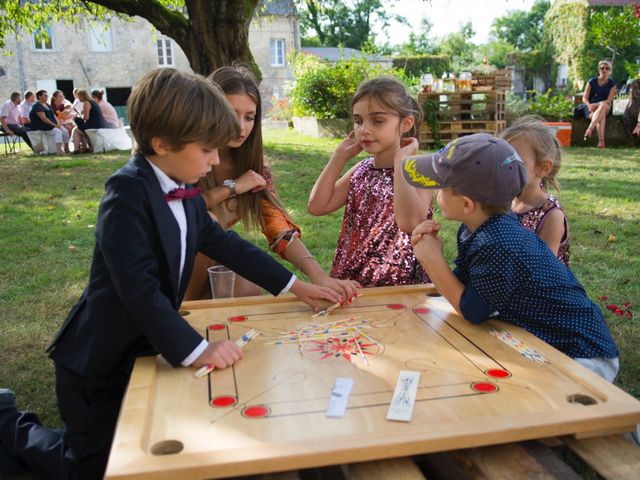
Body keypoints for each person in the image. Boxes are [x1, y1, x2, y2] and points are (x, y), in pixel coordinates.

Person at [0, 67, 342, 479]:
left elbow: (229, 247)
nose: (217, 160)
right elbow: (139, 291)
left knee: (134, 451)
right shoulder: (125, 193)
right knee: (86, 467)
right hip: (99, 360)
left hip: (144, 349)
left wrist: (296, 286)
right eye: (207, 150)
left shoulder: (185, 188)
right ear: (162, 143)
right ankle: (7, 421)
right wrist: (200, 350)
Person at [399, 133, 619, 383]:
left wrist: (432, 260)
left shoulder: (498, 244)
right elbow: (465, 287)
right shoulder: (478, 229)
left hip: (582, 356)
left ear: (467, 204)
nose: (437, 191)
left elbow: (472, 310)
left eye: (442, 187)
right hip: (544, 345)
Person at [185, 64, 359, 301]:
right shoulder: (185, 153)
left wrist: (318, 276)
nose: (241, 127)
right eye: (231, 113)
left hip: (215, 258)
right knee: (207, 223)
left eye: (249, 117)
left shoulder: (254, 169)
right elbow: (179, 209)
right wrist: (232, 188)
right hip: (173, 261)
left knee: (247, 284)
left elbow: (277, 228)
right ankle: (180, 317)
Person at [307, 76, 433, 287]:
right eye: (358, 121)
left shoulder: (421, 171)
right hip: (353, 281)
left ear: (405, 124)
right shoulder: (362, 169)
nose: (364, 129)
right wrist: (339, 157)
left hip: (402, 286)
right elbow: (317, 206)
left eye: (377, 121)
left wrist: (401, 161)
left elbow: (411, 222)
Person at [499, 116, 569, 266]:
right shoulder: (504, 203)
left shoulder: (551, 216)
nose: (505, 167)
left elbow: (543, 271)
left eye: (516, 161)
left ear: (543, 168)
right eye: (502, 160)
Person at [581, 59, 617, 149]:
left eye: (607, 68)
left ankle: (590, 128)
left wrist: (597, 104)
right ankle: (601, 142)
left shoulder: (612, 84)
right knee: (601, 116)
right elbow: (584, 97)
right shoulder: (591, 81)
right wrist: (589, 105)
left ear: (610, 71)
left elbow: (608, 100)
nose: (604, 70)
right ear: (599, 70)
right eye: (602, 68)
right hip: (591, 108)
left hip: (605, 105)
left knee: (603, 106)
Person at [29, 89, 70, 155]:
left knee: (64, 130)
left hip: (50, 125)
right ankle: (59, 150)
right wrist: (54, 125)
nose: (47, 97)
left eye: (47, 95)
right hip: (42, 126)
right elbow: (43, 118)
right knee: (58, 132)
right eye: (45, 95)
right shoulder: (37, 106)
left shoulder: (47, 105)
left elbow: (54, 115)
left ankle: (66, 148)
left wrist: (58, 124)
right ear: (39, 96)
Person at [71, 89, 106, 153]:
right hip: (99, 124)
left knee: (75, 130)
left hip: (93, 125)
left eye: (79, 96)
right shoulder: (93, 102)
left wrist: (77, 118)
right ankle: (85, 147)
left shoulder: (86, 103)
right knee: (80, 128)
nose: (78, 98)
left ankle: (76, 149)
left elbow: (86, 118)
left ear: (82, 96)